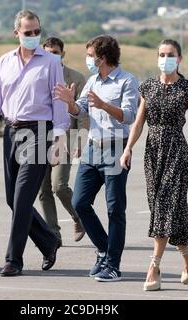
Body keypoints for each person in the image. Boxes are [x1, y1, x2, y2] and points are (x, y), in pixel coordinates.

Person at [0, 10, 70, 277]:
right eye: (27, 32)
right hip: (11, 131)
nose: (32, 36)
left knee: (21, 201)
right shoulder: (4, 62)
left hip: (39, 132)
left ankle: (13, 260)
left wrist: (60, 137)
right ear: (16, 33)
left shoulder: (51, 62)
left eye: (36, 32)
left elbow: (58, 102)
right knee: (12, 199)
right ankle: (49, 241)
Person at [120, 39, 188, 291]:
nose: (165, 58)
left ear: (179, 58)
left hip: (177, 152)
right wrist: (128, 148)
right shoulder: (148, 87)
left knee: (165, 205)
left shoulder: (187, 88)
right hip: (152, 152)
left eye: (170, 54)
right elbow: (139, 123)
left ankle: (154, 266)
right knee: (166, 208)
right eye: (161, 54)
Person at [55, 35, 139, 282]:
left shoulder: (127, 81)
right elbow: (79, 109)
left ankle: (113, 264)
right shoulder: (92, 80)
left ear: (102, 58)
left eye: (90, 55)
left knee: (115, 208)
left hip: (116, 148)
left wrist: (103, 106)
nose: (88, 59)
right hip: (93, 148)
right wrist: (70, 103)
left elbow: (129, 116)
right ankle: (104, 248)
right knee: (80, 202)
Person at [39, 37, 88, 246]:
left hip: (65, 138)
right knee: (43, 191)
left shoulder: (76, 78)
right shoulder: (36, 75)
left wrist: (81, 139)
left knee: (59, 185)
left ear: (63, 54)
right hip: (38, 137)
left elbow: (84, 113)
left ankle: (79, 217)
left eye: (56, 52)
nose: (52, 55)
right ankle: (53, 234)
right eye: (48, 52)